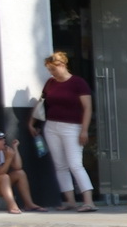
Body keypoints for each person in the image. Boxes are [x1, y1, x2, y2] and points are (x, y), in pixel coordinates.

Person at [31, 52, 96, 212]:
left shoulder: (77, 83)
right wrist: (32, 122)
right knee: (60, 165)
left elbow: (87, 107)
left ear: (62, 65)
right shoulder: (50, 83)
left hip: (72, 127)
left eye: (53, 69)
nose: (52, 72)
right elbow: (42, 103)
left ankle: (89, 201)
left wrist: (84, 130)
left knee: (75, 164)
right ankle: (70, 200)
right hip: (52, 126)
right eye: (49, 69)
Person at [0, 131, 41, 213]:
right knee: (4, 177)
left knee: (20, 173)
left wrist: (15, 149)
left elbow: (18, 166)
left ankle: (29, 204)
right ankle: (11, 205)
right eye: (0, 139)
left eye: (3, 138)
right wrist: (8, 159)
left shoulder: (3, 151)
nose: (3, 141)